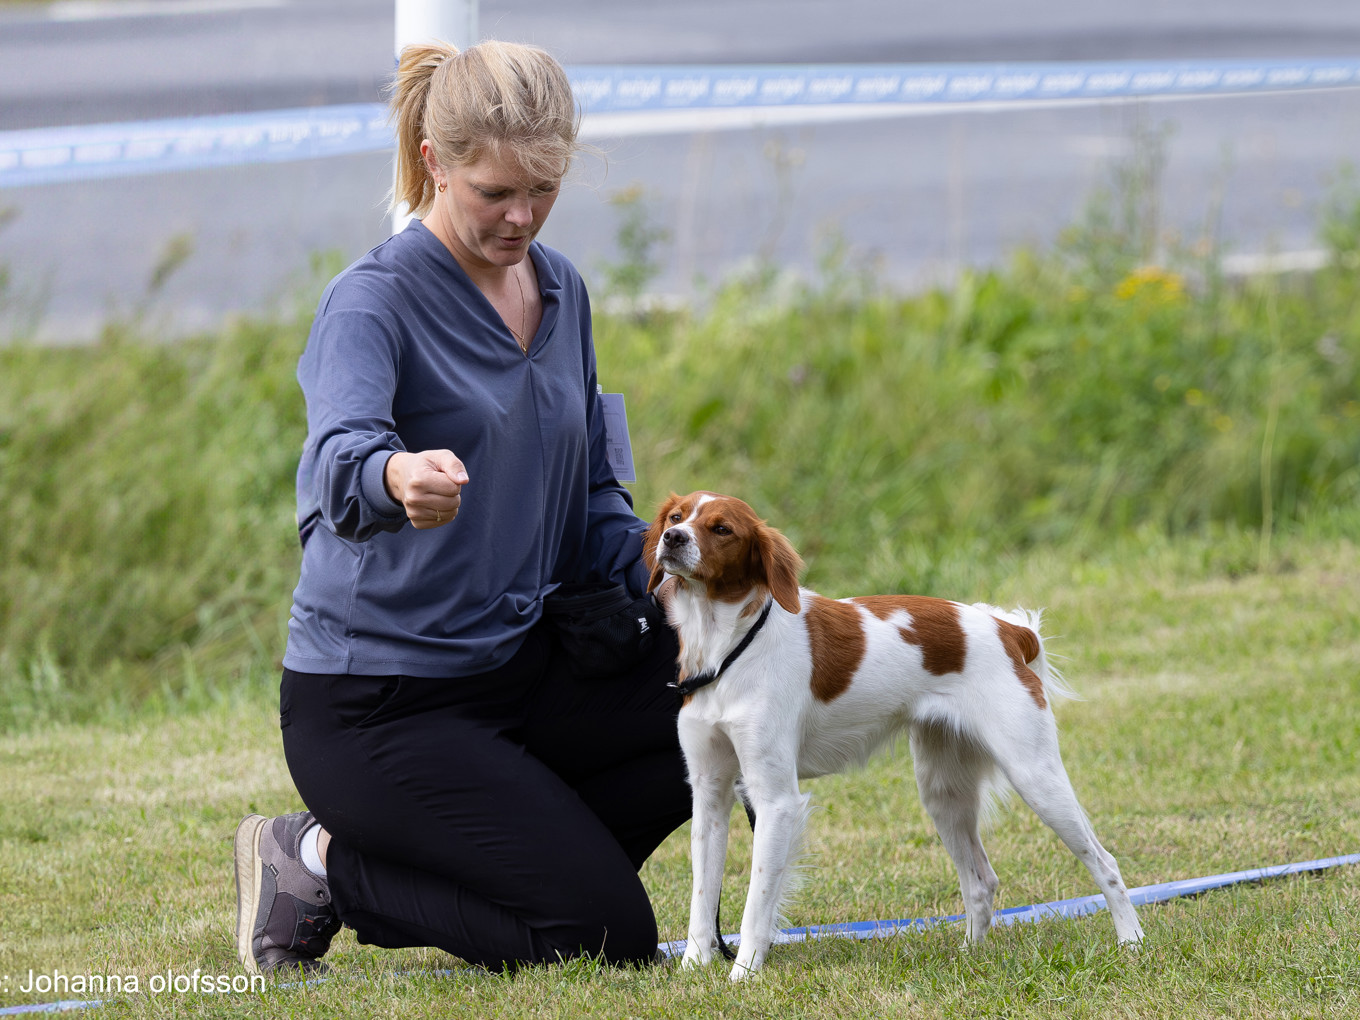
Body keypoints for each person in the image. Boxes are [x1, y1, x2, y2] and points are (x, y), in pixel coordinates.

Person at [232, 39, 692, 976]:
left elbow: (593, 502)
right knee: (605, 938)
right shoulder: (371, 302)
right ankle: (317, 862)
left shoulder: (562, 290)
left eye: (544, 190)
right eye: (495, 193)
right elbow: (335, 469)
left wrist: (672, 571)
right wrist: (395, 477)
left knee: (723, 703)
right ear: (435, 164)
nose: (521, 216)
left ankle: (533, 865)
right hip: (382, 707)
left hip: (525, 670)